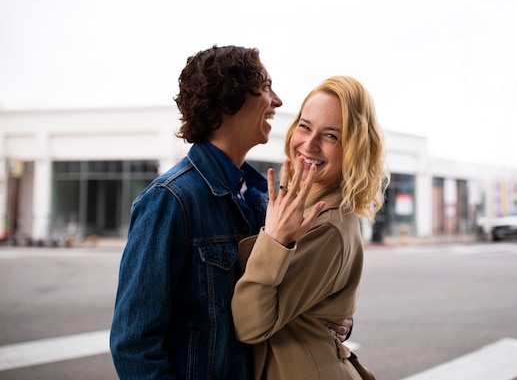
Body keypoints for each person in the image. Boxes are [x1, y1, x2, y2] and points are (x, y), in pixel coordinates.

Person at [109, 45, 351, 380]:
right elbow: (133, 344)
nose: (278, 101)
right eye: (266, 87)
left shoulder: (261, 201)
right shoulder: (169, 201)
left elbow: (269, 304)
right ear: (227, 103)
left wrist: (328, 316)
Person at [231, 76, 389, 380]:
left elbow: (250, 325)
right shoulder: (299, 204)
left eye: (331, 136)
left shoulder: (326, 223)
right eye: (305, 126)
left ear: (354, 148)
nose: (309, 144)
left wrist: (274, 240)